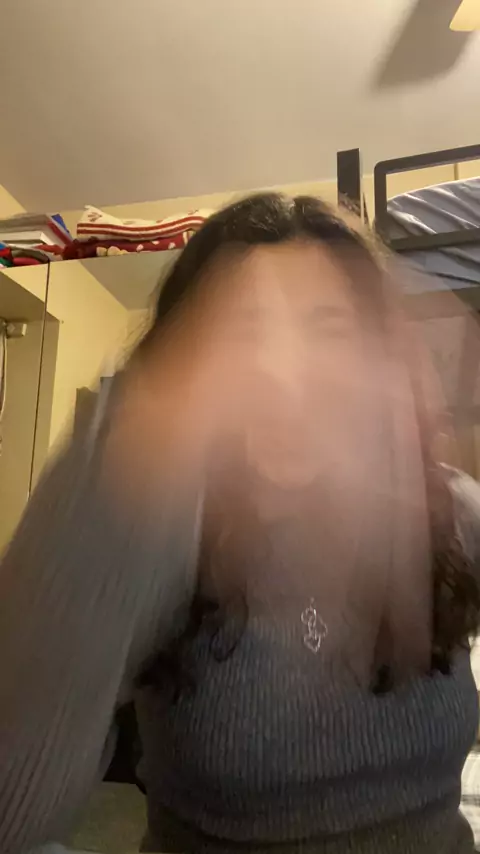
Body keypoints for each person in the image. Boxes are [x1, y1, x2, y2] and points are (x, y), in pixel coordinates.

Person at [1, 193, 480, 854]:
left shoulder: (451, 511)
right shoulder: (153, 531)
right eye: (242, 333)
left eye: (327, 329)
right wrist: (117, 463)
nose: (283, 372)